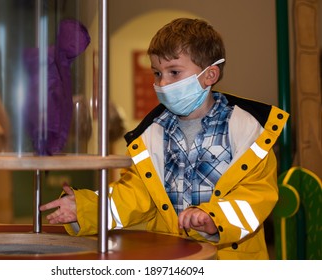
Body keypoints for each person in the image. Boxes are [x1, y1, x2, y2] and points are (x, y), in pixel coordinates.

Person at [40, 18, 289, 260]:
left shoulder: (248, 131)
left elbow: (256, 193)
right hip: (172, 259)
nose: (162, 83)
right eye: (157, 73)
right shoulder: (154, 133)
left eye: (174, 72)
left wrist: (215, 219)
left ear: (209, 75)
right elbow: (136, 194)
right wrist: (86, 209)